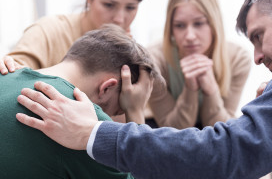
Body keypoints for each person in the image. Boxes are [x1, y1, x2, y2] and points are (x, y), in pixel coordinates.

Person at [13, 0, 272, 178]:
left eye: (259, 36)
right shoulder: (152, 60)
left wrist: (93, 131)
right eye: (179, 25)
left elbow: (231, 149)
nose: (257, 57)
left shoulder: (244, 59)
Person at [0, 24, 161, 178]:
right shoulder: (81, 121)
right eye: (118, 111)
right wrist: (135, 111)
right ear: (106, 88)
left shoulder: (5, 73)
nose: (111, 119)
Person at [146, 0, 251, 129]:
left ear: (214, 23)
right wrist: (190, 88)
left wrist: (211, 90)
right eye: (180, 25)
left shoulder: (238, 58)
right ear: (170, 28)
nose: (189, 36)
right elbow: (171, 130)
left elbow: (224, 133)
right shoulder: (153, 60)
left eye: (199, 23)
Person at [0, 0, 146, 72]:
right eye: (109, 5)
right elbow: (12, 74)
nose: (119, 19)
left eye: (130, 8)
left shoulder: (131, 52)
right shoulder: (48, 31)